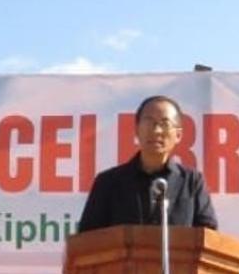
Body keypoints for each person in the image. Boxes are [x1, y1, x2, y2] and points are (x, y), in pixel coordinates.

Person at [77, 95, 217, 232]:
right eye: (149, 122)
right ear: (137, 130)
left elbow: (208, 235)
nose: (156, 131)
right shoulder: (108, 182)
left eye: (165, 124)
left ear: (178, 135)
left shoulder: (192, 182)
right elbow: (88, 238)